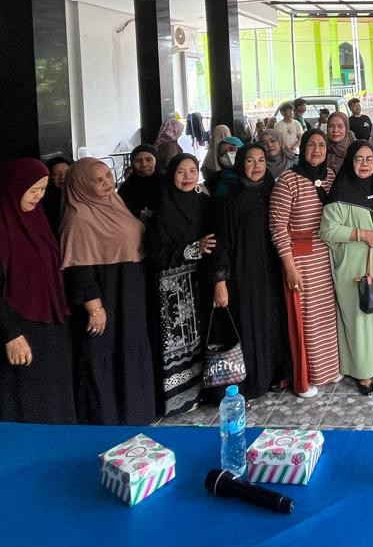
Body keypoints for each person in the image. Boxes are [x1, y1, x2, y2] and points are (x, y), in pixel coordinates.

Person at [0, 158, 75, 424]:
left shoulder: (37, 222)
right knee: (18, 400)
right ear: (13, 188)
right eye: (33, 190)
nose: (38, 196)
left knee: (50, 400)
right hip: (13, 330)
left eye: (42, 189)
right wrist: (10, 333)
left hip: (46, 329)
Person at [60, 157, 155, 425]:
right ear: (81, 185)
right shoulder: (78, 218)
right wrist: (94, 307)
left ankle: (135, 411)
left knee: (130, 346)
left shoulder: (115, 203)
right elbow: (77, 267)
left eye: (108, 176)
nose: (106, 183)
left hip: (129, 289)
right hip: (105, 295)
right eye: (97, 180)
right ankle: (106, 416)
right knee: (104, 350)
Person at [212, 143, 291, 401]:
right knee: (249, 323)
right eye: (250, 160)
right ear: (240, 164)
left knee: (273, 321)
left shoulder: (273, 191)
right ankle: (252, 381)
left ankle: (275, 374)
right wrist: (220, 280)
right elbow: (221, 242)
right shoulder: (232, 198)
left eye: (261, 160)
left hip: (273, 270)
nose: (256, 166)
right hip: (244, 273)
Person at [320, 142, 373, 395]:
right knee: (360, 317)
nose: (365, 164)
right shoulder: (341, 191)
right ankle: (363, 372)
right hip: (354, 265)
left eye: (369, 159)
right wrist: (360, 234)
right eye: (359, 159)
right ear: (350, 162)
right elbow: (327, 230)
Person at [269, 129, 341, 398]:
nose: (317, 150)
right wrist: (289, 265)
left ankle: (327, 369)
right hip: (300, 260)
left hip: (326, 257)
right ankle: (306, 377)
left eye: (322, 145)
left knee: (326, 317)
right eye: (312, 145)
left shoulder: (331, 176)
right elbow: (277, 227)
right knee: (306, 319)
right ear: (303, 148)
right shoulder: (288, 180)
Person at [145, 154, 215, 416]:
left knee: (203, 337)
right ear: (171, 175)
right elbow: (154, 252)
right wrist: (191, 249)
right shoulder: (162, 208)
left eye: (192, 171)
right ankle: (180, 398)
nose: (187, 177)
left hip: (201, 282)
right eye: (181, 172)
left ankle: (206, 390)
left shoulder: (204, 203)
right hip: (173, 290)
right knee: (178, 344)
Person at [117, 145, 163, 220]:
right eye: (138, 161)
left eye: (148, 160)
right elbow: (120, 210)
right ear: (132, 163)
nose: (144, 164)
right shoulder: (126, 188)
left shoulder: (166, 182)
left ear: (156, 161)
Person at [203, 136, 243, 200]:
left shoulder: (252, 174)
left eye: (232, 149)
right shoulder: (215, 178)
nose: (228, 154)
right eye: (223, 153)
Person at [40, 155, 72, 235]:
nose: (62, 177)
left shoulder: (80, 195)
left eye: (66, 172)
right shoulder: (44, 200)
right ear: (49, 177)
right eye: (56, 174)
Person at [323, 111, 354, 176]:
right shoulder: (321, 147)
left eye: (340, 126)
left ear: (346, 128)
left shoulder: (354, 149)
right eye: (331, 126)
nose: (335, 130)